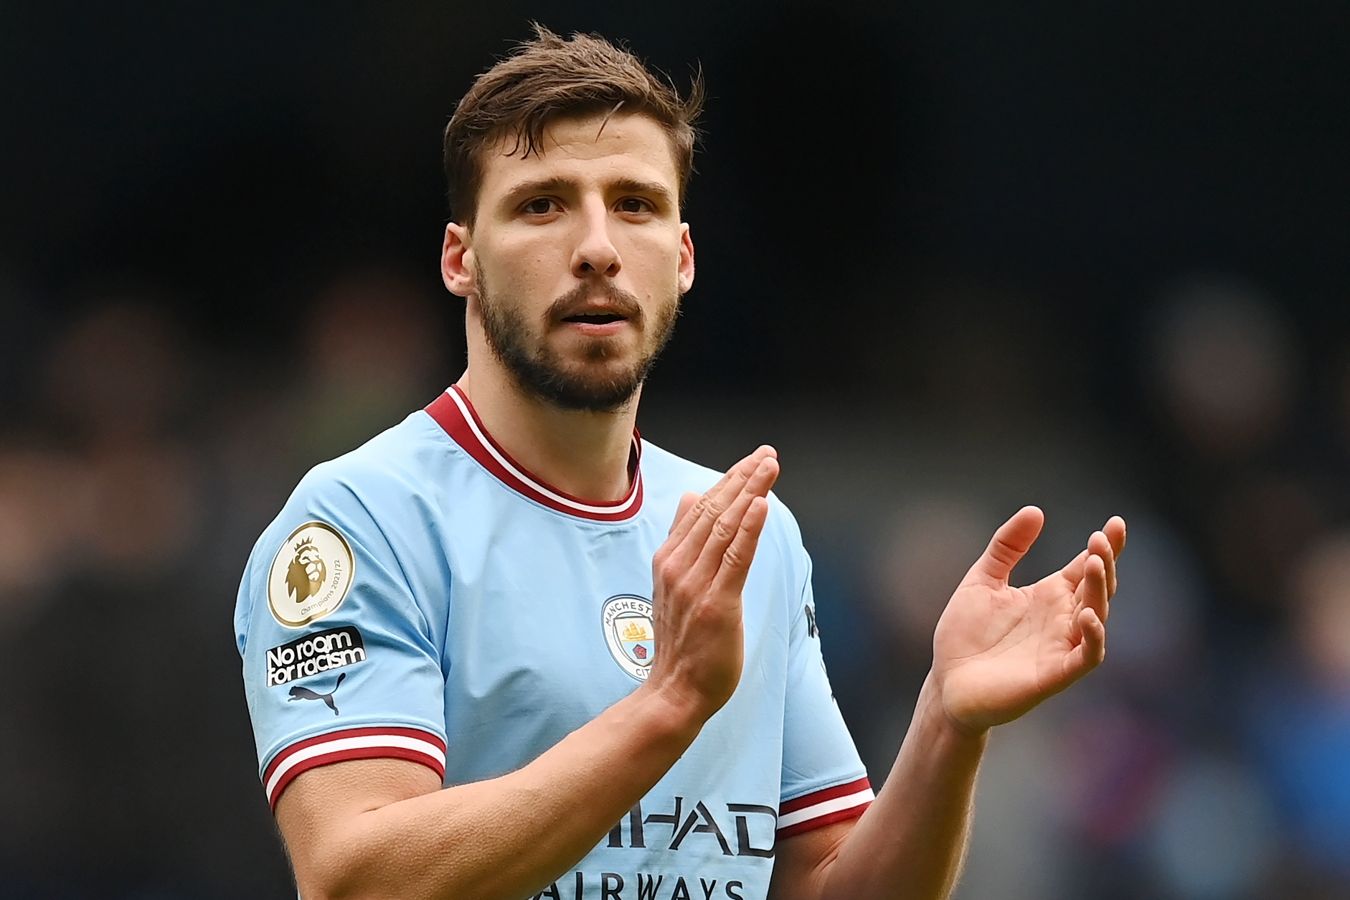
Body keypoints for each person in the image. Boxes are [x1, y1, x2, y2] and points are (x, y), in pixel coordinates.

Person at [234, 25, 1127, 900]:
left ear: (684, 257)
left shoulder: (749, 537)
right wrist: (668, 704)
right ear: (460, 260)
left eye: (635, 204)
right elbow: (357, 878)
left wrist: (947, 722)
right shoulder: (363, 521)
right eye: (542, 205)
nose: (597, 247)